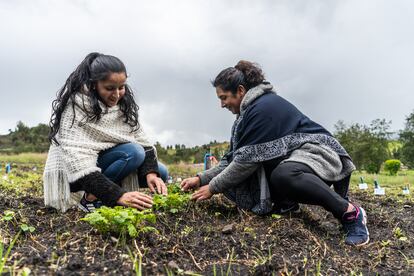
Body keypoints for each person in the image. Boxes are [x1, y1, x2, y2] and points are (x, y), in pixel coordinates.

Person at [181, 60, 369, 246]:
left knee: (285, 174)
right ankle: (287, 204)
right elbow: (232, 159)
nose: (222, 105)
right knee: (274, 165)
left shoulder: (262, 109)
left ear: (240, 90)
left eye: (224, 98)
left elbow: (245, 163)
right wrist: (200, 179)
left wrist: (213, 187)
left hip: (319, 153)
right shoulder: (246, 116)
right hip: (295, 156)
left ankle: (350, 213)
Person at [43, 52, 168, 213]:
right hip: (76, 174)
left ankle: (103, 193)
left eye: (121, 87)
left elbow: (143, 142)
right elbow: (77, 162)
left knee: (161, 172)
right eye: (109, 88)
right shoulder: (76, 107)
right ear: (94, 84)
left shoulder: (123, 107)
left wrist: (151, 174)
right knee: (133, 152)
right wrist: (117, 195)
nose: (116, 95)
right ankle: (90, 199)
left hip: (107, 164)